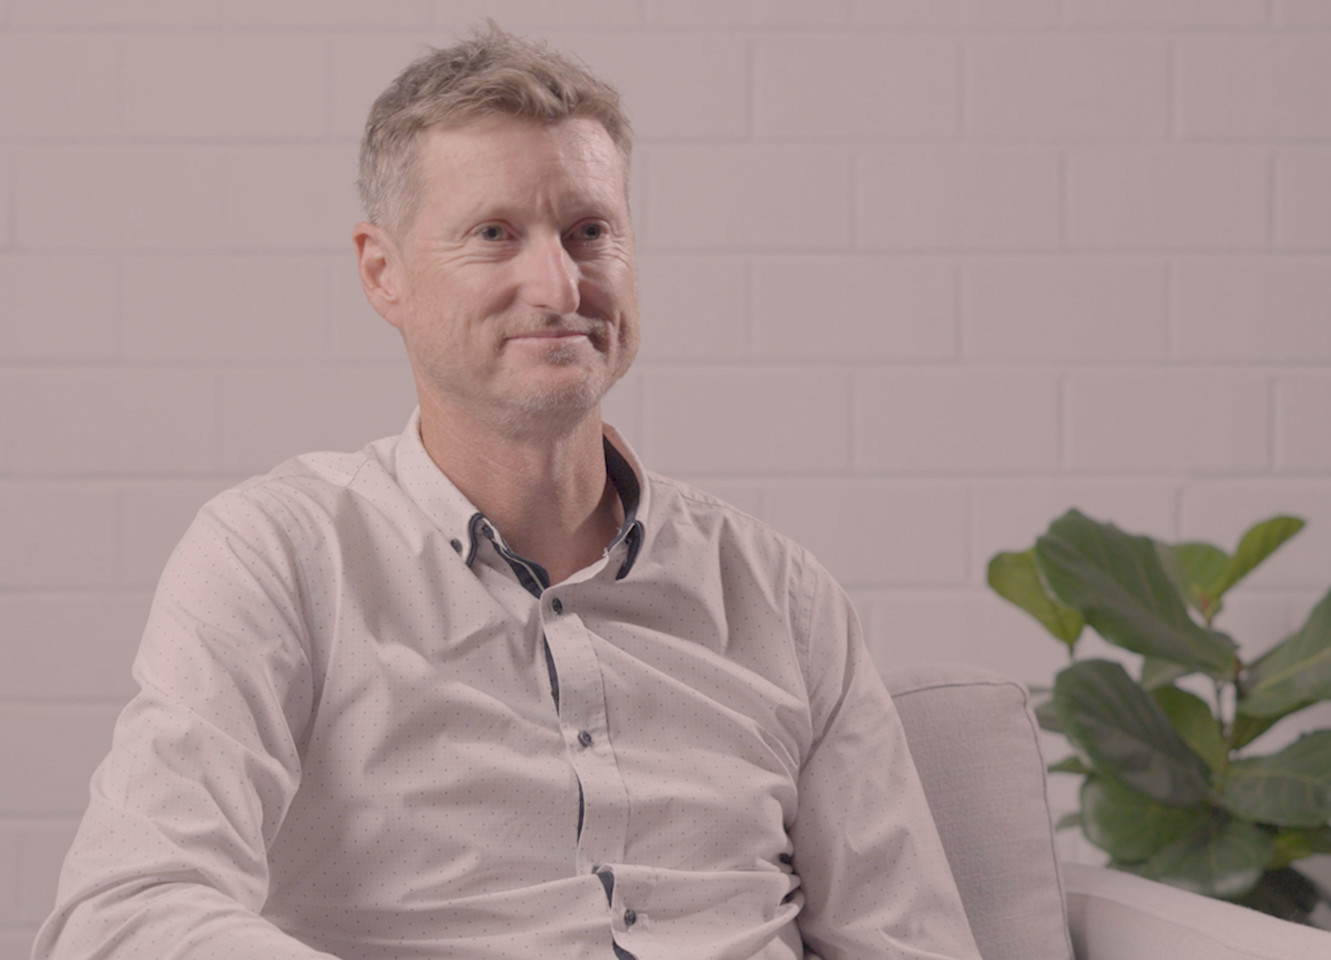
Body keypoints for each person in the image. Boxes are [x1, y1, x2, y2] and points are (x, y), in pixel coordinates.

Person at [33, 25, 981, 960]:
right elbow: (124, 912)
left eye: (589, 231)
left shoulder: (782, 595)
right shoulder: (280, 556)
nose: (559, 282)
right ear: (383, 271)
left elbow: (908, 939)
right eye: (495, 234)